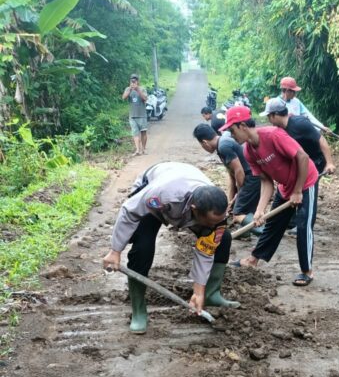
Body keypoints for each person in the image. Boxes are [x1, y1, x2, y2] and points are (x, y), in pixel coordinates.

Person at [102, 161, 239, 334]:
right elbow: (129, 211)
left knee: (223, 238)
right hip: (155, 195)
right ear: (194, 210)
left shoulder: (216, 213)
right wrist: (115, 251)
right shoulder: (161, 195)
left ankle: (211, 294)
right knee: (143, 247)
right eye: (210, 222)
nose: (214, 225)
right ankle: (138, 309)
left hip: (186, 181)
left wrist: (199, 291)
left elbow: (206, 250)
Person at [220, 105, 319, 287]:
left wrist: (298, 191)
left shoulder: (273, 135)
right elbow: (266, 182)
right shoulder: (248, 151)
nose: (231, 135)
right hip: (285, 186)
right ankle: (253, 259)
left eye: (232, 130)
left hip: (305, 183)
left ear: (242, 126)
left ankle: (307, 271)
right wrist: (259, 210)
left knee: (304, 225)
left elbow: (303, 157)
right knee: (273, 225)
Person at [261, 97, 336, 234]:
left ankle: (305, 225)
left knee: (306, 191)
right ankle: (290, 221)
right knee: (293, 187)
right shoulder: (279, 130)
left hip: (315, 161)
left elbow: (322, 140)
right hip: (300, 162)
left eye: (269, 117)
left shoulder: (300, 124)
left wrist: (329, 163)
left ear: (275, 115)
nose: (269, 120)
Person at [192, 122, 263, 236]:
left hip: (251, 177)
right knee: (242, 209)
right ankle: (244, 233)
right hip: (252, 176)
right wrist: (230, 201)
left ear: (204, 142)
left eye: (202, 145)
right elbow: (232, 175)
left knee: (238, 214)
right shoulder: (222, 142)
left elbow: (239, 171)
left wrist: (239, 193)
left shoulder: (223, 146)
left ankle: (265, 232)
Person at [122, 74, 148, 156]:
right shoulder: (128, 89)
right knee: (135, 133)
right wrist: (130, 89)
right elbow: (123, 98)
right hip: (132, 116)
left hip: (142, 115)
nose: (133, 82)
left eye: (135, 80)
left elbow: (145, 98)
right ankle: (137, 150)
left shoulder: (142, 88)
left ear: (138, 81)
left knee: (143, 132)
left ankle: (143, 149)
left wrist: (138, 90)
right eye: (132, 81)